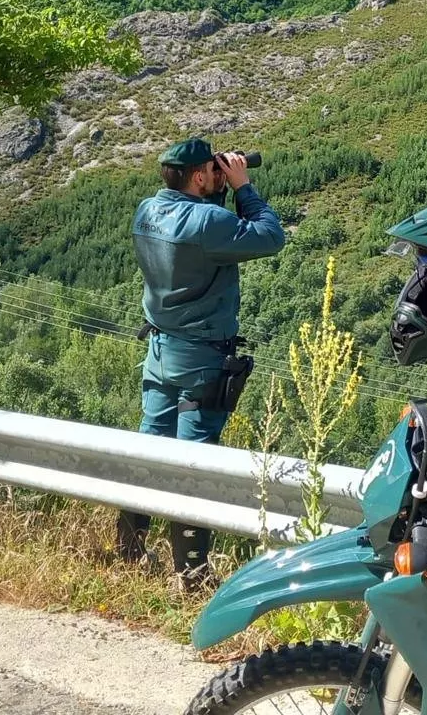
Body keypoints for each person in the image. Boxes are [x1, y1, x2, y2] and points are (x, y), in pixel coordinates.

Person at [117, 138, 286, 571]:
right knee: (195, 461)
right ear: (197, 176)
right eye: (213, 170)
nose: (220, 174)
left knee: (150, 450)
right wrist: (243, 187)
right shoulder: (208, 221)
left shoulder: (147, 210)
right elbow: (269, 236)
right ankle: (191, 573)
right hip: (201, 359)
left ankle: (129, 553)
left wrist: (219, 189)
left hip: (159, 351)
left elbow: (207, 229)